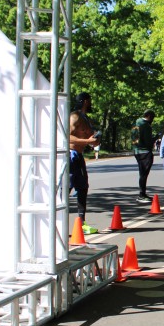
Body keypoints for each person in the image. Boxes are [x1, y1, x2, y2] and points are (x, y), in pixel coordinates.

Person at [68, 93, 99, 232]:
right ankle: (57, 222)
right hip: (70, 155)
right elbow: (66, 137)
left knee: (83, 187)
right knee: (66, 188)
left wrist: (94, 140)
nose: (91, 103)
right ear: (85, 101)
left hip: (79, 156)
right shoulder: (74, 116)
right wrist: (87, 141)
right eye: (90, 100)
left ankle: (82, 223)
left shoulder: (85, 118)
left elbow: (88, 137)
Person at [131, 109, 156, 203]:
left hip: (136, 151)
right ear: (148, 116)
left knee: (142, 173)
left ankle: (142, 194)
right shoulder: (146, 126)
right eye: (152, 117)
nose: (152, 120)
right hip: (145, 152)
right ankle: (142, 194)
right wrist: (155, 138)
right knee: (144, 174)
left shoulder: (135, 124)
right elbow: (148, 142)